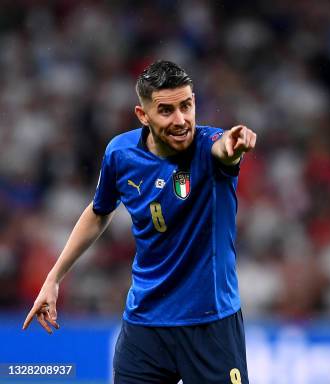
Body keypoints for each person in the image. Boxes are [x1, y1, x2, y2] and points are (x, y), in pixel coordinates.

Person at [23, 60, 256, 384]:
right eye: (166, 110)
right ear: (142, 115)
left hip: (210, 324)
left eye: (186, 106)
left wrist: (234, 147)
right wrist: (54, 278)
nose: (181, 120)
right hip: (146, 325)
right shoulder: (121, 154)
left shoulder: (208, 145)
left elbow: (224, 151)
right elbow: (99, 211)